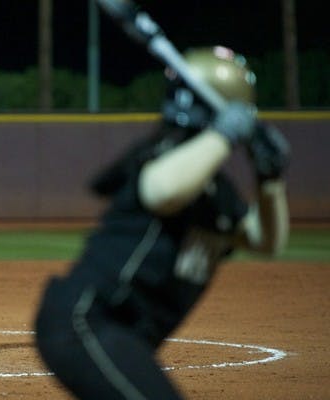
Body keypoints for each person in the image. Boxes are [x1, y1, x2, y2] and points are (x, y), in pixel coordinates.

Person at [34, 46, 290, 399]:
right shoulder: (162, 157)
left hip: (124, 335)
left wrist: (270, 182)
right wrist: (224, 136)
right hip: (87, 321)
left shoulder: (214, 189)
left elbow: (265, 241)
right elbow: (162, 191)